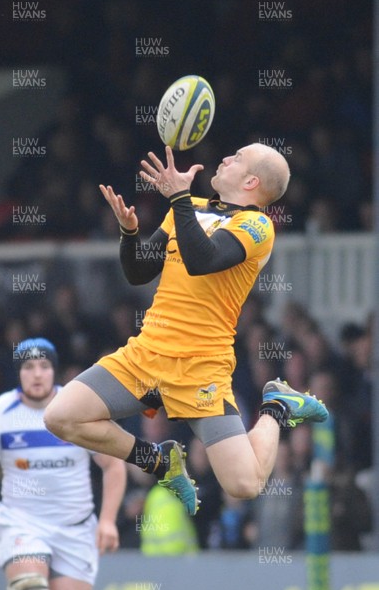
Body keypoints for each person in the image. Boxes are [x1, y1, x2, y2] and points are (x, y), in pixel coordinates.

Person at [44, 144, 328, 517]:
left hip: (201, 367)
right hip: (148, 353)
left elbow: (203, 261)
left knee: (244, 485)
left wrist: (178, 197)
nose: (226, 158)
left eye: (236, 158)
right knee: (59, 417)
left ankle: (275, 406)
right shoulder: (189, 207)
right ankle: (159, 461)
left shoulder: (258, 226)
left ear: (251, 181)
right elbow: (139, 272)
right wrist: (130, 234)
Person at [0, 338, 126, 590]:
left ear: (54, 371)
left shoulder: (77, 409)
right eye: (28, 367)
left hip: (76, 528)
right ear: (18, 372)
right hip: (22, 524)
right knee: (31, 586)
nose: (37, 374)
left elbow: (113, 465)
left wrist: (107, 520)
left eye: (44, 366)